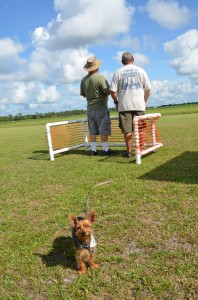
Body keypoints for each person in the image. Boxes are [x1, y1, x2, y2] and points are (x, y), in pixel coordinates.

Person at [110, 52, 151, 158]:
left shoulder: (117, 72)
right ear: (133, 59)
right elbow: (148, 90)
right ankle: (141, 149)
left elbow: (112, 91)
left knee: (127, 130)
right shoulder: (141, 70)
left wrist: (116, 102)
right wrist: (144, 102)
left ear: (122, 61)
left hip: (124, 105)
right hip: (139, 105)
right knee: (141, 128)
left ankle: (129, 152)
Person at [80, 56, 112, 156]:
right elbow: (107, 91)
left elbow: (84, 95)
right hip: (101, 107)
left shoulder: (83, 80)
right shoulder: (100, 77)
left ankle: (93, 150)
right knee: (103, 129)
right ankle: (106, 150)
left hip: (89, 109)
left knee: (92, 130)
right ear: (97, 67)